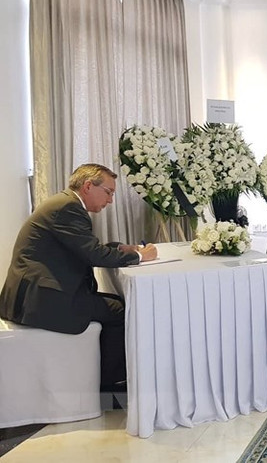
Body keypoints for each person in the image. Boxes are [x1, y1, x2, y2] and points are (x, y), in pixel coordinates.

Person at [0, 163, 158, 391]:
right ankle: (109, 385)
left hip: (34, 294)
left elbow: (81, 248)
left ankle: (107, 376)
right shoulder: (68, 208)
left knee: (116, 304)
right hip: (41, 301)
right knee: (120, 310)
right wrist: (139, 256)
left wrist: (120, 248)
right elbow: (93, 254)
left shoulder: (64, 204)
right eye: (109, 192)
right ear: (87, 186)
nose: (111, 200)